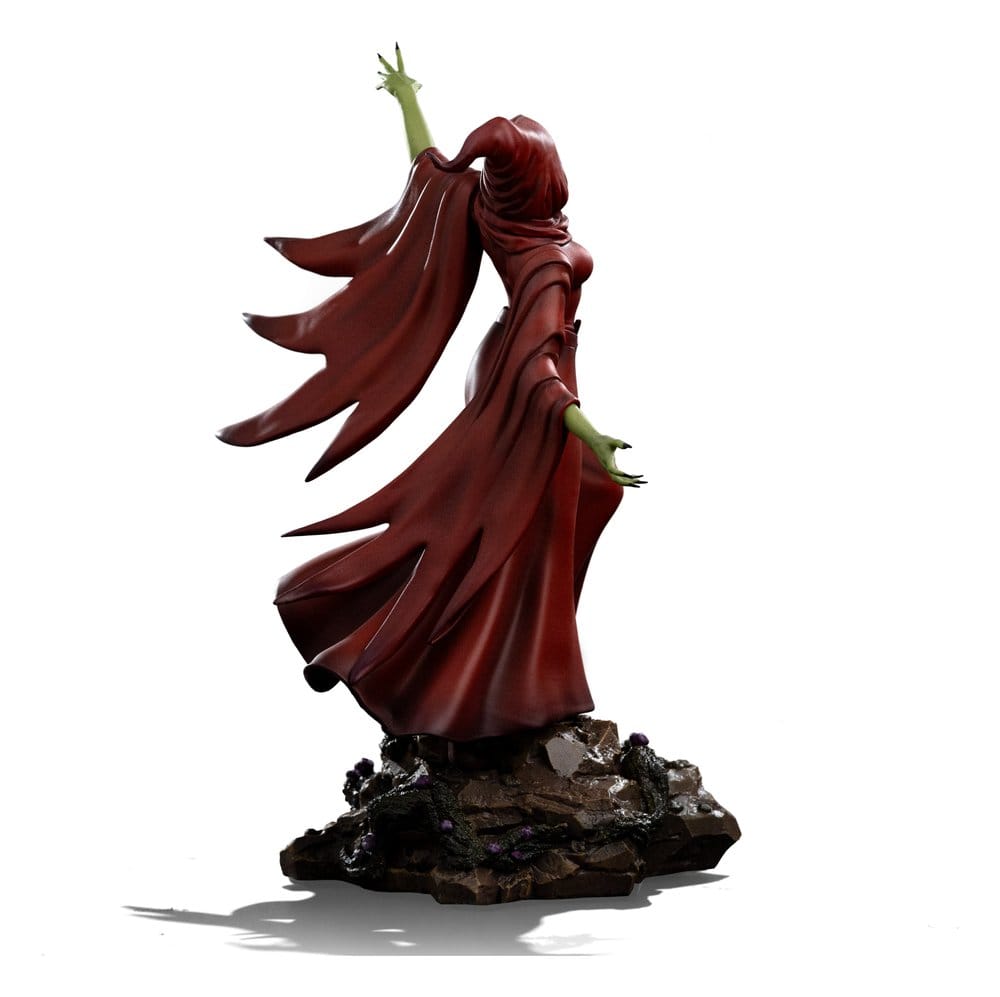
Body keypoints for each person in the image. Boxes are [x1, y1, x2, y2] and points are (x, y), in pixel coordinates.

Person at [219, 49, 643, 741]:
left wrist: (407, 97)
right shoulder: (543, 260)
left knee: (514, 511)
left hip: (510, 363)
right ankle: (483, 687)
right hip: (533, 382)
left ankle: (491, 676)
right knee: (521, 526)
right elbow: (536, 367)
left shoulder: (485, 205)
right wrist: (587, 430)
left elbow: (430, 167)